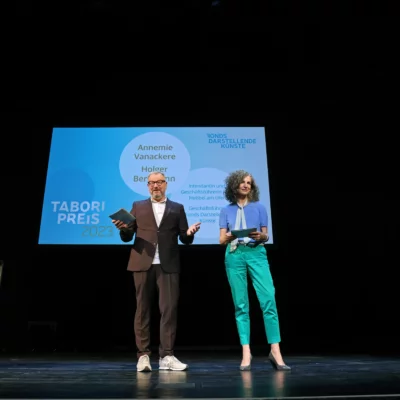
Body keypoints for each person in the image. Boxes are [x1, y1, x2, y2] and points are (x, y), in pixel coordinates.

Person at [113, 171, 201, 372]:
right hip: (142, 262)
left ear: (165, 184)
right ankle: (143, 355)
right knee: (142, 310)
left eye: (159, 182)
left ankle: (167, 356)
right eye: (151, 183)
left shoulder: (177, 208)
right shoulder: (138, 206)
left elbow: (184, 238)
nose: (155, 186)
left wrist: (189, 234)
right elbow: (127, 236)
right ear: (147, 186)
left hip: (168, 265)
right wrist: (123, 229)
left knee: (168, 310)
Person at [219, 170, 290, 371]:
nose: (246, 185)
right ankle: (246, 351)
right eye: (242, 182)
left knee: (268, 299)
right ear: (234, 185)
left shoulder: (260, 208)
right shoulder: (226, 210)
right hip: (234, 254)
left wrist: (261, 237)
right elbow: (221, 239)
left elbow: (266, 235)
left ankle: (275, 350)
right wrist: (232, 236)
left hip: (256, 253)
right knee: (241, 304)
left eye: (249, 183)